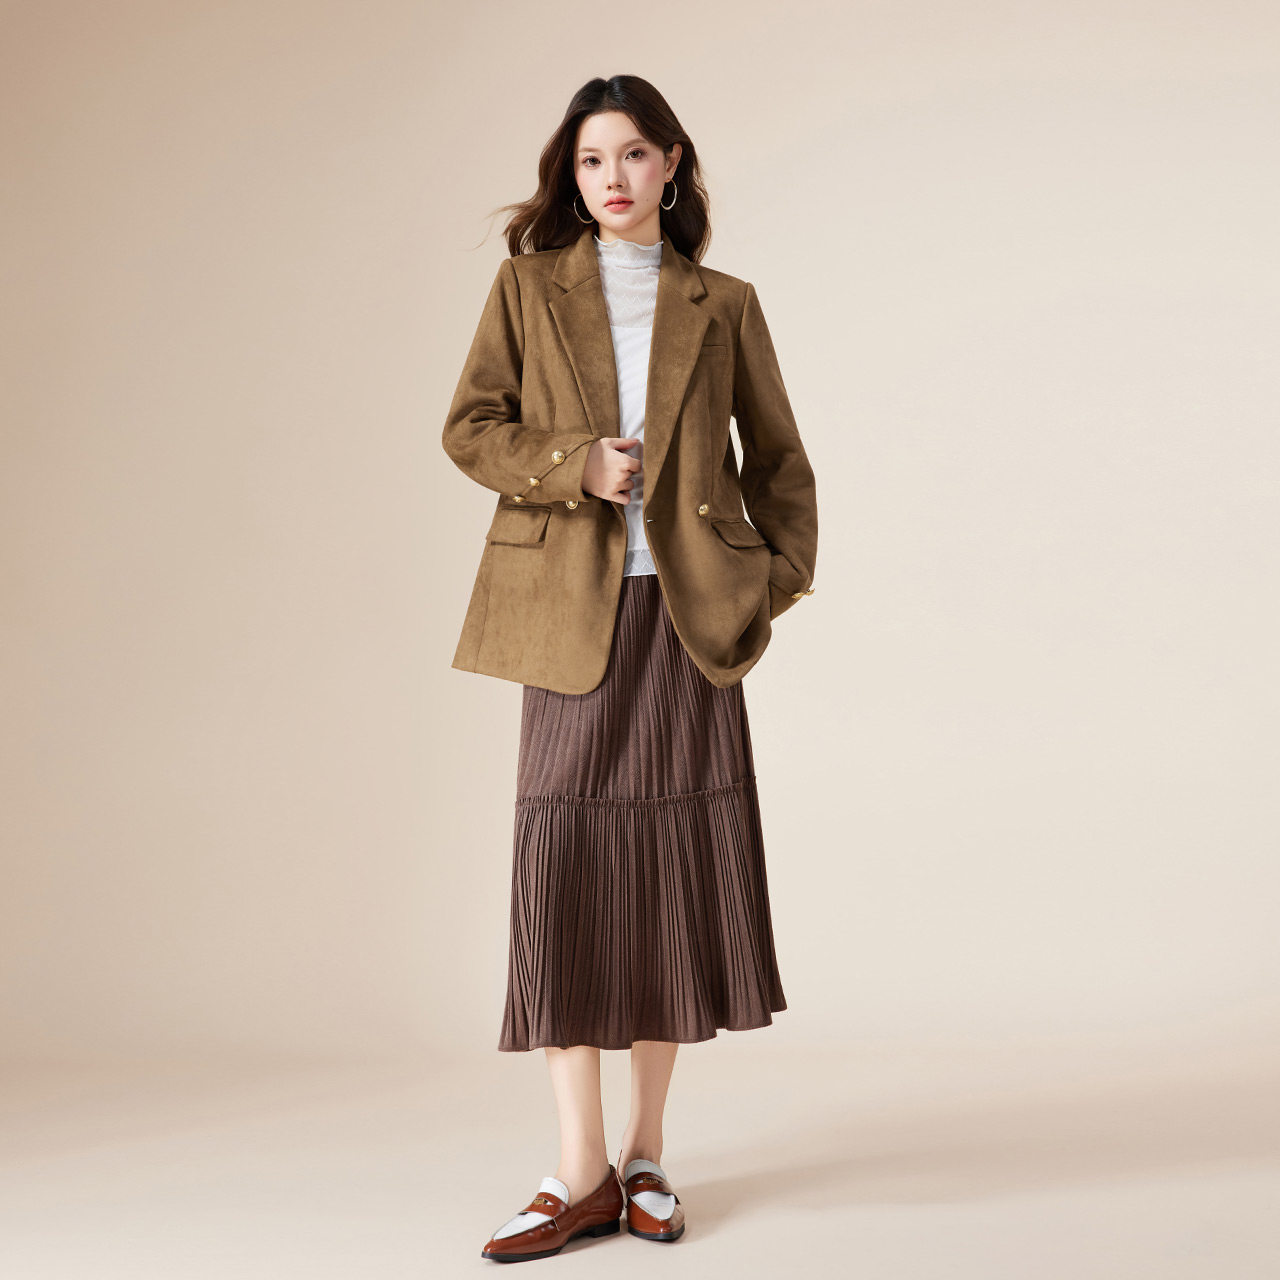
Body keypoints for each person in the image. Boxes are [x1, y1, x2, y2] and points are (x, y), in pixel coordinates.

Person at [441, 74, 818, 1263]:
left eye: (634, 154)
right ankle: (578, 1168)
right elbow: (470, 427)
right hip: (568, 614)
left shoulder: (724, 303)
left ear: (671, 165)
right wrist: (576, 466)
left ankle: (646, 1156)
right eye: (591, 159)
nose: (612, 177)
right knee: (564, 869)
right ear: (573, 175)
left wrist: (764, 582)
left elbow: (781, 465)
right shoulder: (527, 287)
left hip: (686, 622)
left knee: (668, 874)